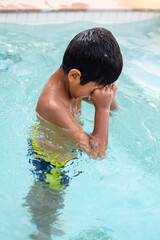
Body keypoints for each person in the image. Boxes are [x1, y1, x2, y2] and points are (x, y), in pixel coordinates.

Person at [35, 27, 123, 162]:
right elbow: (97, 152)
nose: (96, 93)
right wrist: (102, 109)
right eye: (95, 90)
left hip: (68, 153)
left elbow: (113, 109)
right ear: (74, 75)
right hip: (49, 165)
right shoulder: (52, 105)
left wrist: (109, 94)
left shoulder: (74, 84)